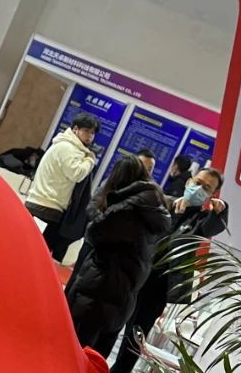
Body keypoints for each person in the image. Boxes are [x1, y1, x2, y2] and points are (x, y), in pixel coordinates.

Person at [109, 164, 229, 373]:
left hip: (157, 288)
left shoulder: (200, 221)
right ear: (188, 181)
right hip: (132, 274)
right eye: (198, 183)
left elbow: (214, 226)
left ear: (212, 195)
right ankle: (92, 368)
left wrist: (222, 210)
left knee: (133, 338)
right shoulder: (164, 203)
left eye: (207, 188)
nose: (199, 189)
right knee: (110, 324)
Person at [65, 153, 172, 356]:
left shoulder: (124, 210)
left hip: (101, 287)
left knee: (76, 350)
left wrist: (106, 210)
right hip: (124, 293)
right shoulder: (154, 207)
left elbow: (94, 232)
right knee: (99, 354)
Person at [25, 114, 99, 261]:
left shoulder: (64, 145)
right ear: (76, 129)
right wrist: (90, 159)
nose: (90, 136)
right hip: (47, 208)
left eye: (93, 133)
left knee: (29, 252)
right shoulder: (68, 148)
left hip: (41, 205)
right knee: (37, 256)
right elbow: (76, 174)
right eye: (86, 131)